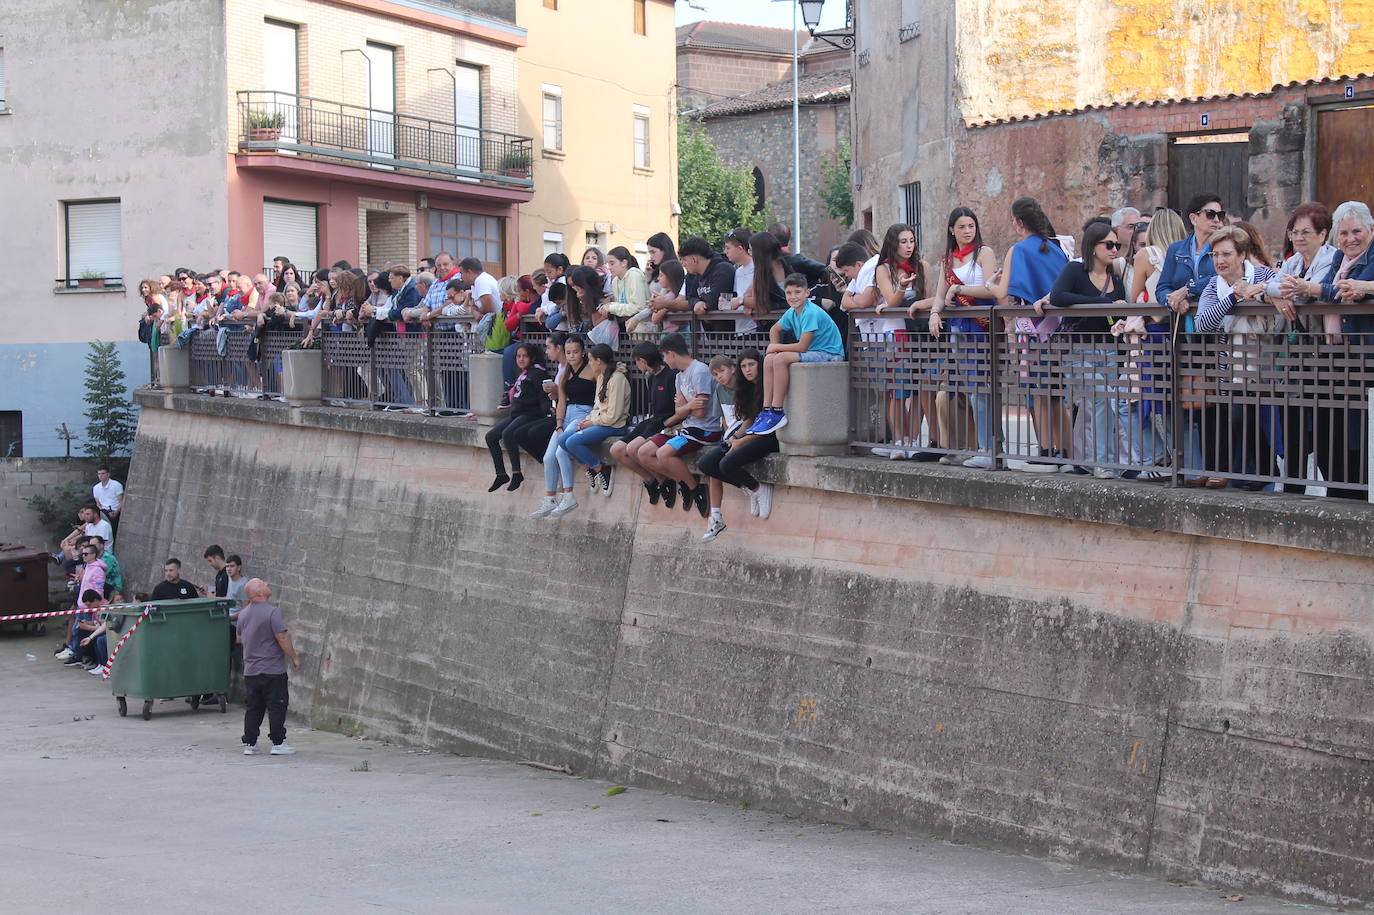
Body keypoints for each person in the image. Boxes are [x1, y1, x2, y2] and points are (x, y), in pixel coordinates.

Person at [1292, 200, 1374, 498]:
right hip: (1335, 359)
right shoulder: (1340, 258)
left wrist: (1364, 288)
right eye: (1344, 233)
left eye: (1357, 232)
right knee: (1334, 432)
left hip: (1365, 358)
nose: (1350, 239)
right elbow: (1329, 290)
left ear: (1371, 230)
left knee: (1361, 435)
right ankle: (1341, 491)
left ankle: (1359, 493)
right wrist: (1294, 292)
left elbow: (1333, 290)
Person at [1192, 225, 1283, 489]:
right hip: (1227, 367)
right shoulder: (1214, 285)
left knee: (1258, 417)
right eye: (1215, 255)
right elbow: (1203, 323)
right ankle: (1242, 474)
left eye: (1226, 254)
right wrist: (1233, 296)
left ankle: (1262, 475)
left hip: (1264, 363)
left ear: (1242, 254)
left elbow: (1285, 289)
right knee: (1235, 416)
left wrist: (1262, 291)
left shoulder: (1263, 274)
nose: (1220, 261)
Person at [985, 196, 1071, 471]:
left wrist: (990, 282)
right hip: (1057, 328)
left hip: (1031, 330)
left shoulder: (1018, 250)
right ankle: (1065, 450)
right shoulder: (1055, 248)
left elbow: (1002, 294)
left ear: (1019, 222)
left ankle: (1046, 447)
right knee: (1057, 391)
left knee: (1038, 390)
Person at [1266, 203, 1339, 492]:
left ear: (1323, 234)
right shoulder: (1294, 261)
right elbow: (1273, 285)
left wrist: (1292, 291)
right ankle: (1293, 486)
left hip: (1324, 354)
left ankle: (1335, 487)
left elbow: (1318, 290)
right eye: (1294, 232)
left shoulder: (1332, 258)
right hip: (1296, 354)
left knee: (1324, 424)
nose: (1298, 237)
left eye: (1306, 232)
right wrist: (1278, 296)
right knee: (1292, 418)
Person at [1047, 220, 1127, 477]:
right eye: (1109, 244)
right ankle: (1101, 462)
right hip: (1078, 349)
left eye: (1117, 245)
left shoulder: (1115, 276)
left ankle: (1090, 459)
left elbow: (1118, 313)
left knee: (1103, 403)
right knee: (1099, 399)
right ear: (1093, 246)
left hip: (1110, 349)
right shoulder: (1075, 270)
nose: (1114, 249)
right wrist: (1100, 302)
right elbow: (1058, 296)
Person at [927, 207, 999, 469]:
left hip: (980, 326)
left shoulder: (984, 252)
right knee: (969, 389)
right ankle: (978, 447)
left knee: (982, 389)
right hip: (958, 326)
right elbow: (939, 292)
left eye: (971, 226)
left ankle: (988, 449)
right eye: (962, 227)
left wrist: (959, 288)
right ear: (952, 230)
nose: (968, 231)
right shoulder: (947, 259)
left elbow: (992, 289)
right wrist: (935, 313)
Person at [747, 273, 846, 435]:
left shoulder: (810, 312)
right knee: (769, 358)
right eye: (789, 293)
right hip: (813, 351)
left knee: (780, 358)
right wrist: (774, 346)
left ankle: (778, 411)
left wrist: (777, 347)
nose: (793, 297)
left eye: (797, 292)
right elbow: (775, 329)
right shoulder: (792, 312)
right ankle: (766, 410)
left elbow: (802, 346)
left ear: (807, 293)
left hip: (829, 353)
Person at [636, 334, 721, 516]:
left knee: (662, 453)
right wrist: (688, 406)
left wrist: (685, 407)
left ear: (671, 354)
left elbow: (701, 412)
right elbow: (679, 411)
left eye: (665, 357)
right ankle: (682, 481)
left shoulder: (699, 371)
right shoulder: (679, 377)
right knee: (643, 454)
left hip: (705, 429)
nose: (664, 361)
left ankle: (695, 488)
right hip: (687, 427)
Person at [872, 223, 938, 460]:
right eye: (903, 241)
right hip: (896, 332)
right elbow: (890, 301)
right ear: (893, 243)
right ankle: (899, 440)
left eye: (911, 241)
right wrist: (901, 287)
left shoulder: (923, 267)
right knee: (898, 390)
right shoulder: (884, 269)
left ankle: (914, 438)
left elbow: (928, 298)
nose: (909, 246)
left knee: (920, 387)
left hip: (918, 333)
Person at [698, 349, 777, 540]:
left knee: (726, 463)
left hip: (768, 437)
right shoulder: (745, 388)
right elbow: (745, 421)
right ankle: (750, 489)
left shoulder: (767, 385)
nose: (748, 370)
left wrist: (740, 440)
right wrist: (735, 438)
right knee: (706, 464)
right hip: (747, 435)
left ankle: (758, 489)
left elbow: (762, 425)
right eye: (744, 366)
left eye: (751, 365)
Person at [550, 343, 629, 510]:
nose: (590, 364)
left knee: (572, 442)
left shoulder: (617, 379)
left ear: (599, 361)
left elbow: (613, 415)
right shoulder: (601, 376)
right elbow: (597, 406)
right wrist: (587, 421)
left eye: (591, 360)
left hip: (614, 425)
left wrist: (592, 422)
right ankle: (591, 468)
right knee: (563, 440)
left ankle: (602, 469)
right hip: (599, 421)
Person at [609, 341, 679, 504]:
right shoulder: (650, 377)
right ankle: (651, 480)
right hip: (653, 419)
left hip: (666, 421)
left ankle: (664, 481)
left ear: (642, 361)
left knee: (633, 449)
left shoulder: (671, 375)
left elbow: (676, 409)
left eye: (636, 361)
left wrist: (668, 423)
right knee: (616, 450)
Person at [536, 336, 597, 518]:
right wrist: (559, 424)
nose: (571, 356)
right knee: (548, 457)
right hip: (567, 414)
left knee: (561, 452)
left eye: (575, 352)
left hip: (583, 413)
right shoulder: (565, 373)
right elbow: (561, 401)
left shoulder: (592, 370)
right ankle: (550, 498)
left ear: (583, 352)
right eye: (568, 352)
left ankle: (569, 495)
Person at [238, 578, 300, 756]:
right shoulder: (273, 612)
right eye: (262, 583)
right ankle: (278, 742)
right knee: (277, 706)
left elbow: (240, 638)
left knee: (253, 707)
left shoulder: (243, 614)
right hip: (272, 669)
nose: (266, 583)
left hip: (251, 670)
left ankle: (250, 743)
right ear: (259, 593)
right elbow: (283, 637)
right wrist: (294, 657)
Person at [485, 343, 551, 492]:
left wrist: (547, 411)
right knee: (491, 437)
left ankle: (516, 473)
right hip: (517, 413)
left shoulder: (538, 373)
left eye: (525, 356)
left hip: (531, 413)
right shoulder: (523, 373)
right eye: (518, 356)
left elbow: (543, 396)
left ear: (532, 358)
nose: (521, 359)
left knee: (508, 434)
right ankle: (501, 474)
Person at [680, 236, 737, 314]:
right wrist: (697, 303)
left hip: (727, 324)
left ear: (694, 259)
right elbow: (691, 298)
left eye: (684, 260)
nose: (683, 264)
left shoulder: (723, 270)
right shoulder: (697, 275)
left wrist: (703, 304)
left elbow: (715, 301)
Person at [93, 466, 124, 532]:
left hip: (115, 511)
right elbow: (98, 504)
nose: (100, 476)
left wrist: (116, 512)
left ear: (108, 474)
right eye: (99, 474)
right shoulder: (96, 487)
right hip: (103, 512)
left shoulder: (116, 485)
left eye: (103, 473)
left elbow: (121, 501)